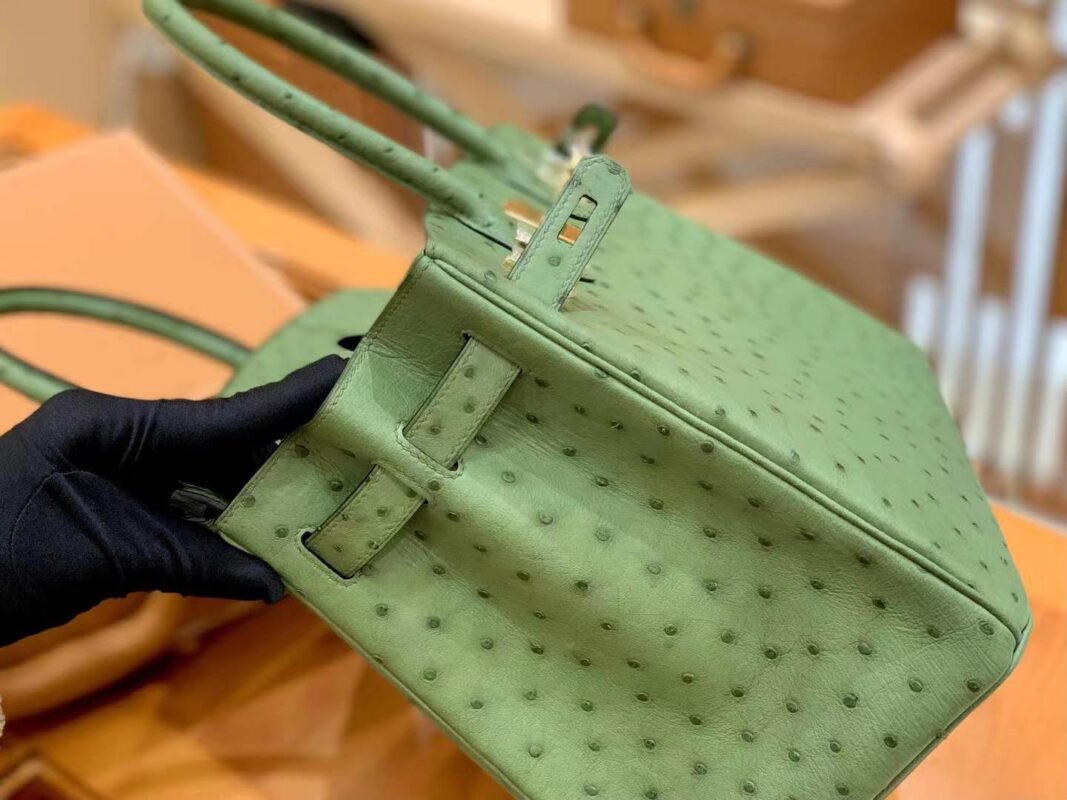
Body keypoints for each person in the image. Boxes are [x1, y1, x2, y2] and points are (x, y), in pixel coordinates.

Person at [0, 355, 346, 731]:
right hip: (187, 594)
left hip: (172, 512)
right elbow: (112, 648)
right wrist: (166, 606)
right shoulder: (12, 684)